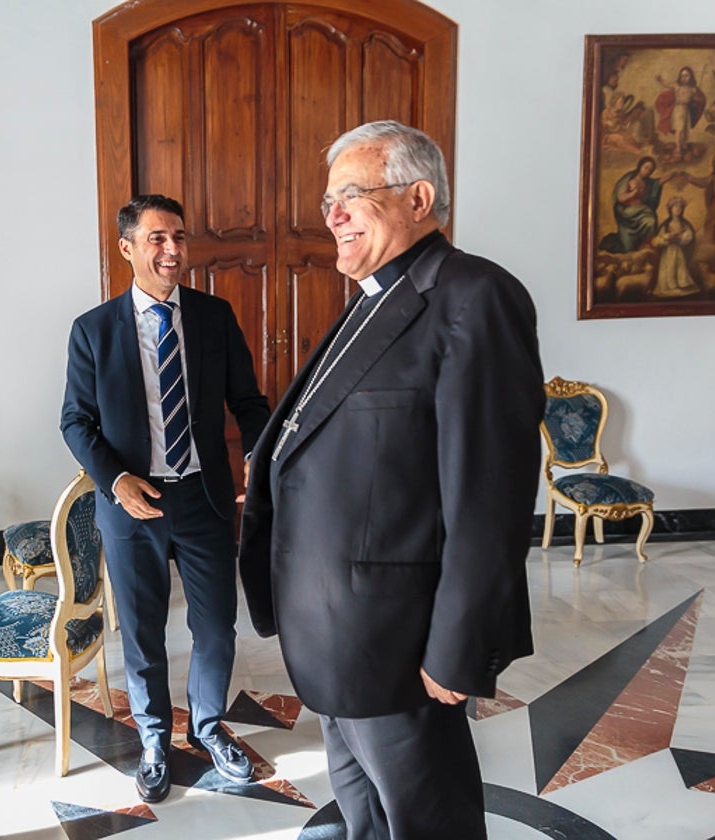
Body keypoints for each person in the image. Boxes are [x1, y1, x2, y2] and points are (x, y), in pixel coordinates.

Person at [238, 121, 544, 839]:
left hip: (399, 643)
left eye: (352, 194)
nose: (334, 214)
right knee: (364, 815)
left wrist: (458, 647)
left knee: (427, 821)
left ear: (419, 196)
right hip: (338, 635)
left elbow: (488, 499)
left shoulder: (475, 297)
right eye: (328, 200)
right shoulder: (372, 296)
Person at [60, 194, 270, 803]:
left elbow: (249, 403)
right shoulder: (92, 331)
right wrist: (115, 481)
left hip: (204, 499)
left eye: (178, 237)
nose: (172, 250)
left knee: (217, 628)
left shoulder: (213, 316)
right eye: (157, 238)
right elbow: (76, 422)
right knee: (144, 632)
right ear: (127, 248)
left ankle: (208, 727)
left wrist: (257, 450)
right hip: (132, 505)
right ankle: (154, 738)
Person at [599, 156, 680, 253]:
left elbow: (660, 181)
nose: (648, 171)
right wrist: (633, 193)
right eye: (646, 167)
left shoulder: (650, 183)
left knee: (650, 221)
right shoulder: (630, 179)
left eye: (651, 170)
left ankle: (647, 243)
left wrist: (674, 173)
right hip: (627, 213)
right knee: (627, 247)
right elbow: (620, 198)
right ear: (640, 166)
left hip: (643, 213)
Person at [651, 196, 699, 297]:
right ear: (670, 209)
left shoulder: (685, 224)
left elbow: (689, 237)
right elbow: (655, 241)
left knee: (680, 268)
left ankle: (681, 285)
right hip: (667, 252)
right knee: (669, 269)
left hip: (679, 251)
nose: (677, 209)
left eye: (680, 207)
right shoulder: (666, 225)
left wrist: (681, 238)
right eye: (675, 207)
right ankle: (669, 287)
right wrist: (667, 237)